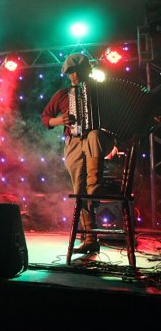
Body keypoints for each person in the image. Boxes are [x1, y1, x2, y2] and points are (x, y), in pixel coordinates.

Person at [41, 53, 112, 253]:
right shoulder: (63, 94)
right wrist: (58, 121)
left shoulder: (103, 91)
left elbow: (116, 118)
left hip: (99, 140)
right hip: (73, 142)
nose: (74, 76)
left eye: (77, 71)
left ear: (87, 70)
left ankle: (94, 188)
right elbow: (45, 117)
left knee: (94, 134)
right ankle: (90, 238)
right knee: (79, 189)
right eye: (70, 73)